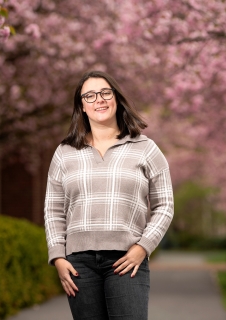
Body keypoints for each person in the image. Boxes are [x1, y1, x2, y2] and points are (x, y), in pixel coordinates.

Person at [44, 70, 174, 320]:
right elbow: (54, 210)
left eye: (105, 93)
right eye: (90, 96)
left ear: (116, 98)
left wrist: (143, 247)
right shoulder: (65, 152)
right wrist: (58, 257)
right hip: (78, 265)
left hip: (127, 260)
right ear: (81, 106)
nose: (99, 100)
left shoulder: (145, 148)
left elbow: (165, 205)